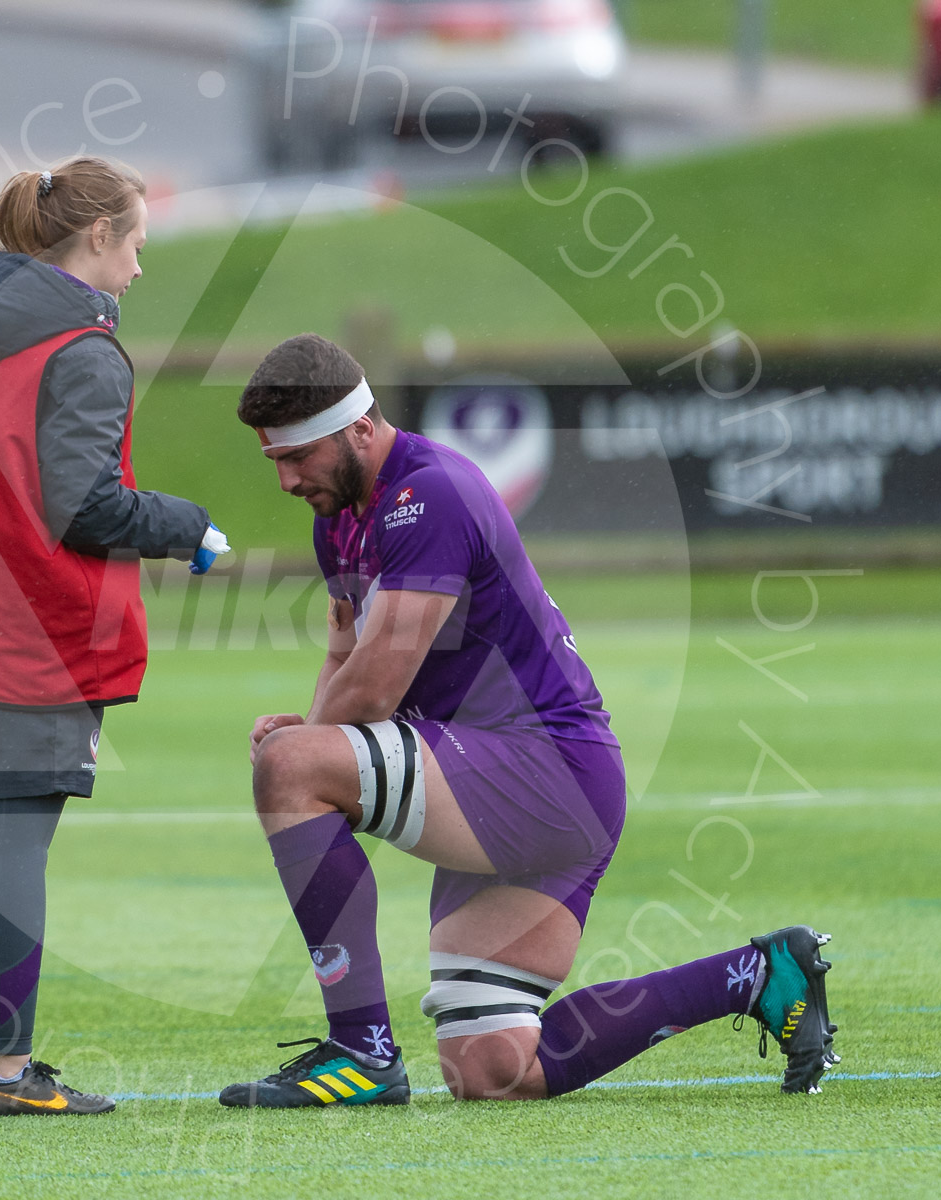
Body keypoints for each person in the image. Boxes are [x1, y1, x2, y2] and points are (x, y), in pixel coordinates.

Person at [217, 333, 837, 1108]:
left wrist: (307, 751)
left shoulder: (425, 494)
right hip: (510, 779)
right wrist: (315, 735)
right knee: (493, 1070)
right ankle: (755, 975)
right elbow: (345, 653)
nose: (284, 478)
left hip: (544, 771)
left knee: (287, 766)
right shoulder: (338, 514)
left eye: (297, 455)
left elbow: (375, 686)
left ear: (359, 429)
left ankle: (363, 1053)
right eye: (273, 459)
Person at [0, 157, 231, 1117]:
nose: (137, 266)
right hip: (33, 632)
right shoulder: (81, 349)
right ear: (96, 237)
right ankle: (4, 1075)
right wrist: (189, 527)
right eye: (133, 242)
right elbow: (81, 504)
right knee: (10, 852)